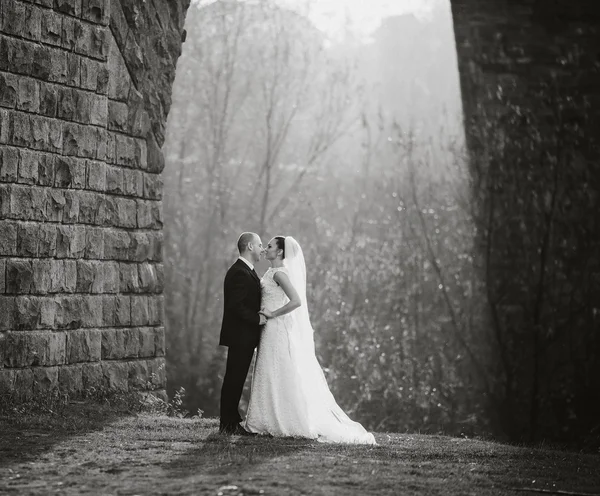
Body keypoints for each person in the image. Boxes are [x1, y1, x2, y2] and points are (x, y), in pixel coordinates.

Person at [244, 236, 376, 444]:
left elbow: (296, 301)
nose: (266, 249)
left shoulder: (279, 273)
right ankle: (263, 419)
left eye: (269, 246)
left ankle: (285, 419)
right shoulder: (270, 272)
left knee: (276, 370)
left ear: (279, 252)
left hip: (276, 328)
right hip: (268, 330)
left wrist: (273, 313)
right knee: (268, 371)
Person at [218, 232, 266, 435]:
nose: (263, 248)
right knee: (234, 379)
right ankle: (228, 424)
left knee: (236, 379)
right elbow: (235, 306)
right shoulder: (239, 272)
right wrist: (257, 319)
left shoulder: (248, 270)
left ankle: (230, 421)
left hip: (244, 336)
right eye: (260, 244)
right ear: (249, 246)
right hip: (240, 336)